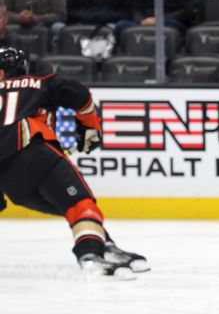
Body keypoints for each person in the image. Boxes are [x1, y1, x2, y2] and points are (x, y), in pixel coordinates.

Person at [0, 47, 149, 279]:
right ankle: (90, 256)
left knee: (70, 206)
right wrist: (90, 126)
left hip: (10, 181)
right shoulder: (37, 82)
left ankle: (105, 246)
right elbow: (79, 94)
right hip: (35, 153)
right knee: (80, 206)